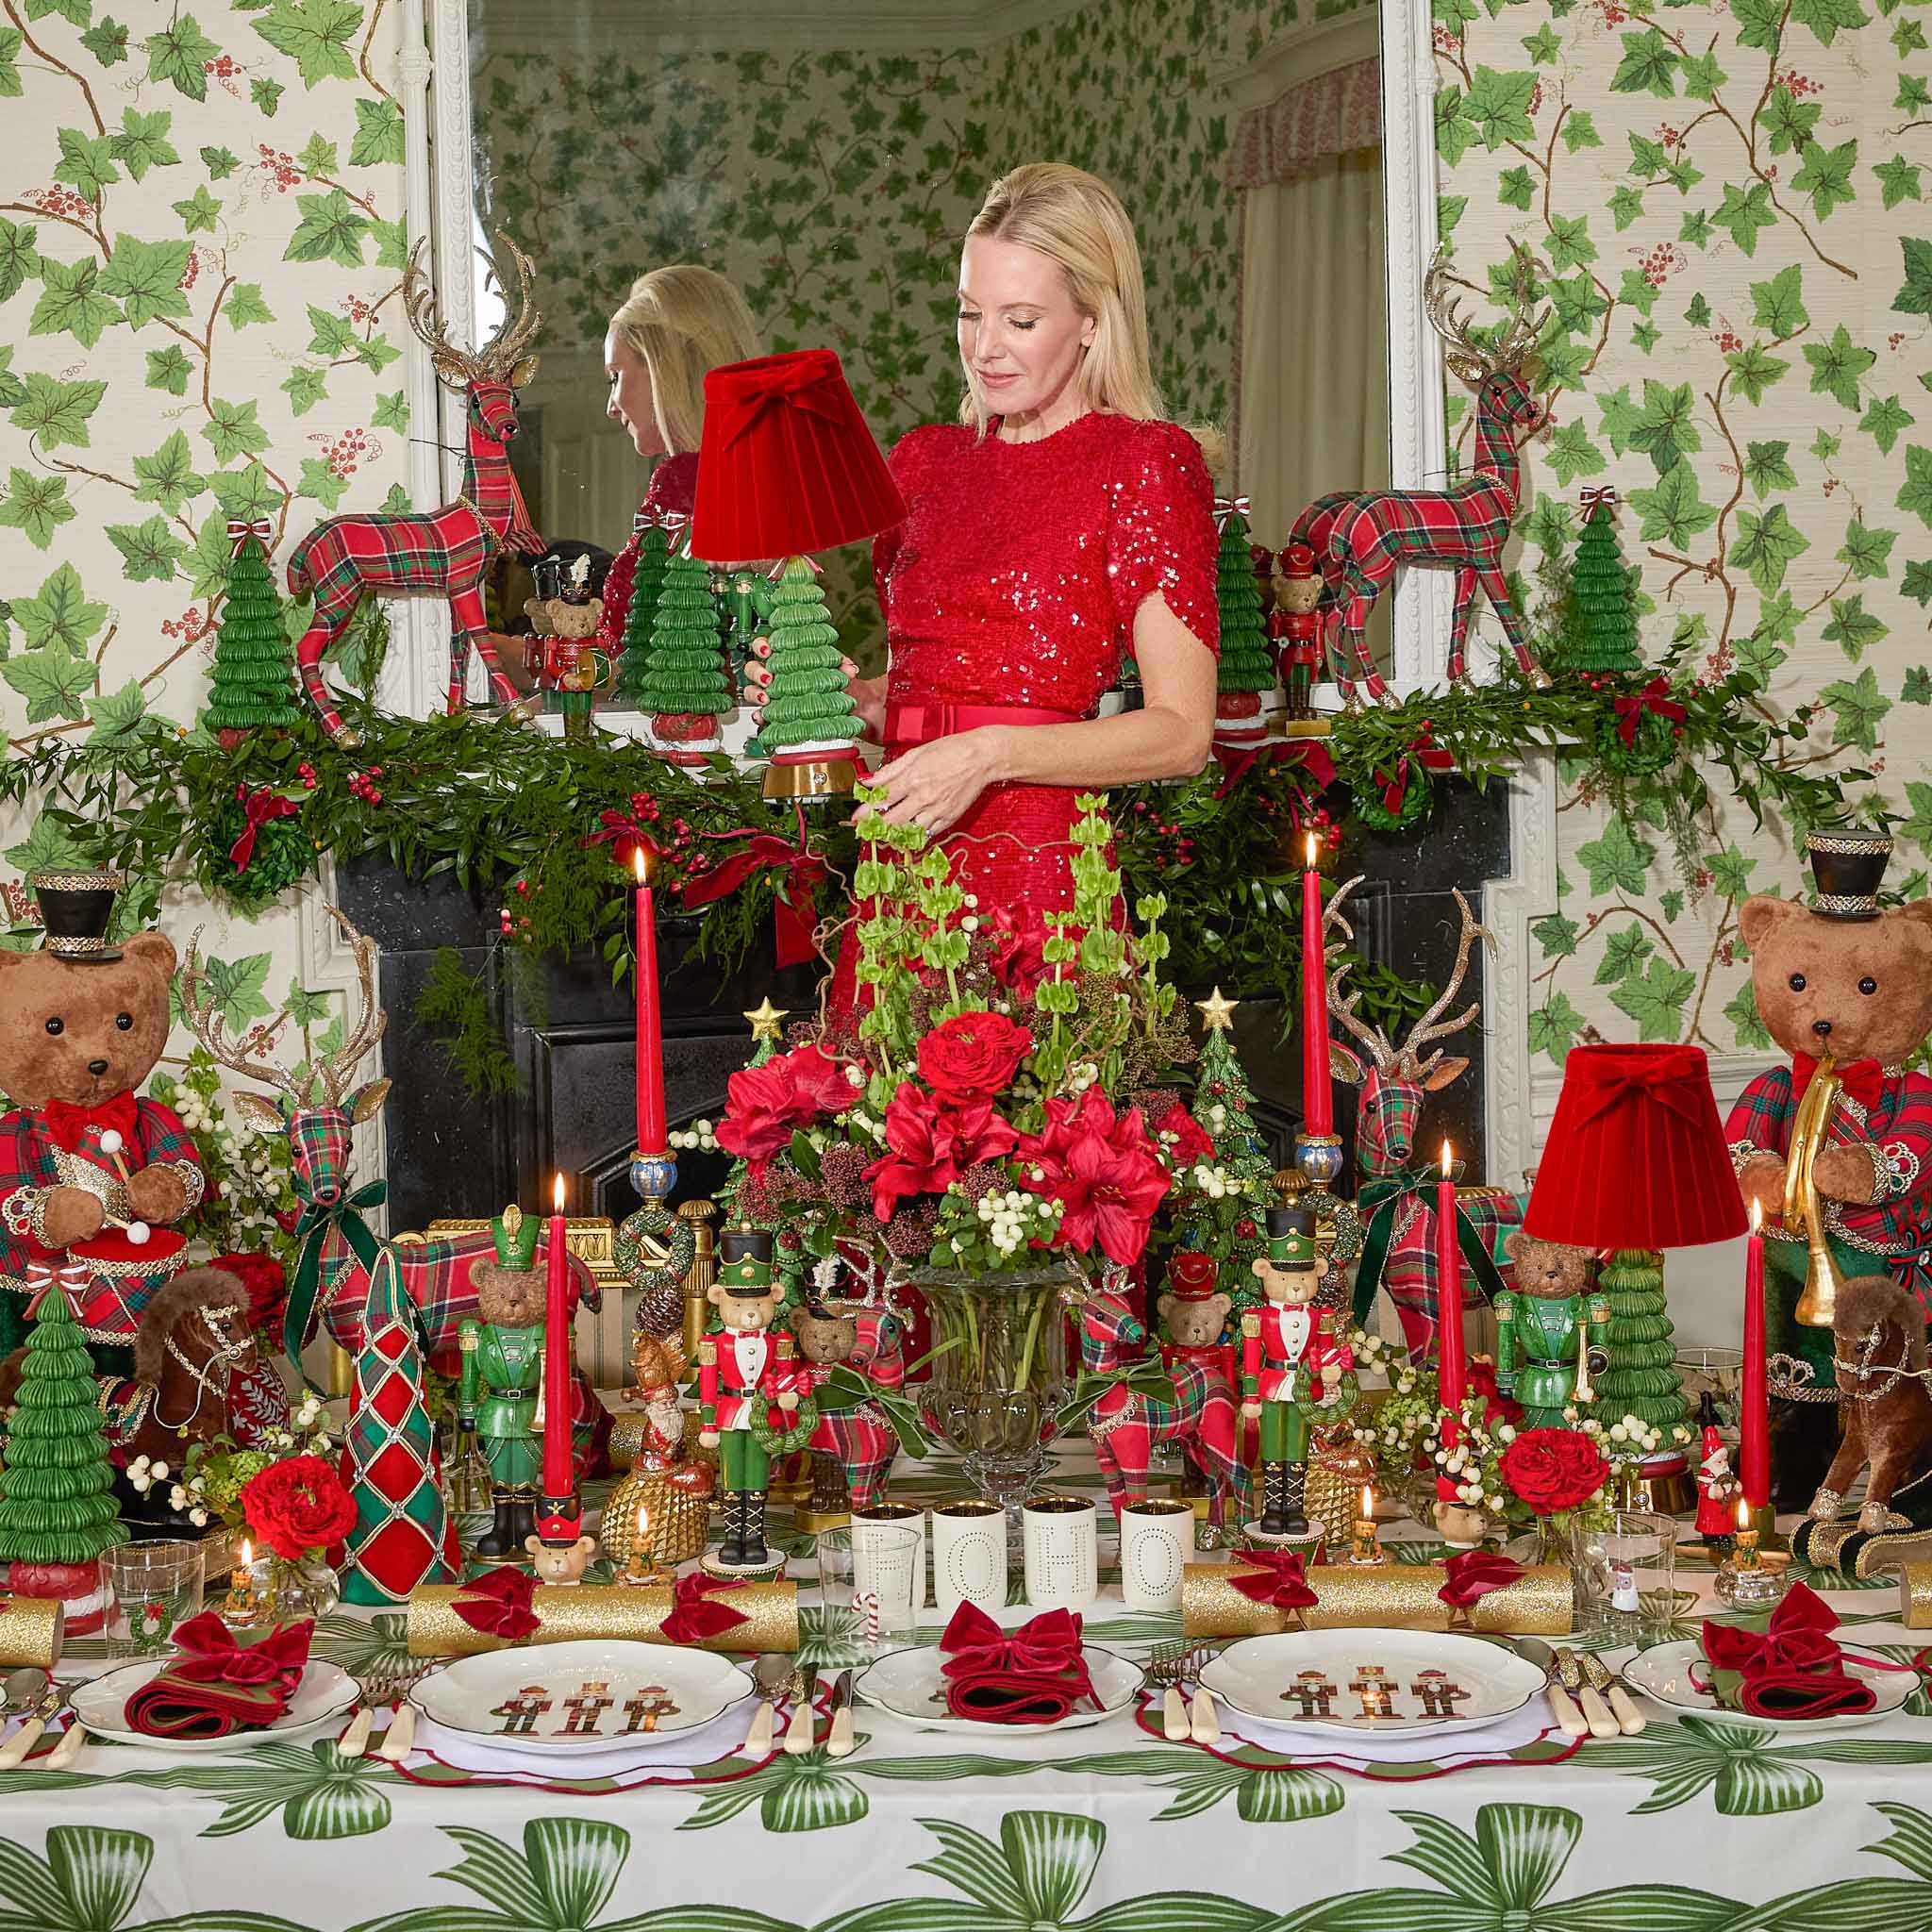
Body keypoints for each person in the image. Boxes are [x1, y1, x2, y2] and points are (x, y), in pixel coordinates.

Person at [844, 161, 1219, 954]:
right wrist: (857, 699)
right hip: (902, 862)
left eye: (1019, 320)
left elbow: (1182, 733)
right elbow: (932, 683)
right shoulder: (921, 463)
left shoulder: (1142, 462)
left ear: (1090, 319)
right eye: (968, 314)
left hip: (1039, 877)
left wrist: (990, 755)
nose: (984, 350)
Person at [597, 264, 762, 653]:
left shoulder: (684, 481)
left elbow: (630, 654)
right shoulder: (754, 474)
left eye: (615, 377)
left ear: (661, 366)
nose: (611, 406)